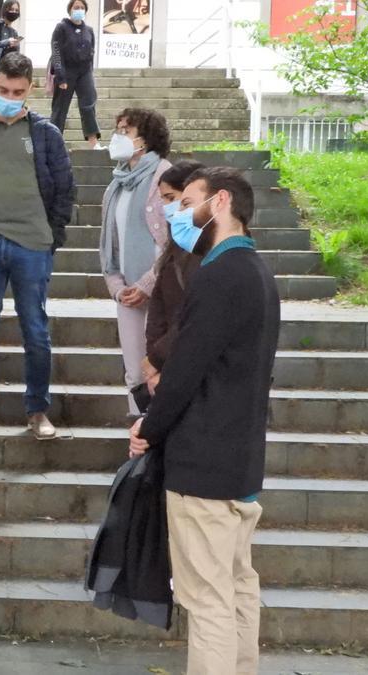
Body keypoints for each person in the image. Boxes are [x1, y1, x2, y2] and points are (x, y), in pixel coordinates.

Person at [130, 166, 280, 675]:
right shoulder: (257, 271)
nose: (177, 213)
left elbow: (185, 369)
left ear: (218, 203)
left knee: (207, 600)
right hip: (240, 464)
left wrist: (147, 430)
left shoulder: (219, 275)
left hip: (203, 465)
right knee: (238, 587)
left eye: (187, 201)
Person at [0, 52, 75, 440]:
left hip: (33, 245)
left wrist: (51, 235)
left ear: (30, 90)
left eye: (18, 91)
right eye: (4, 89)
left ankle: (37, 410)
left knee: (36, 331)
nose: (9, 96)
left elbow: (64, 188)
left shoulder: (45, 134)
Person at [98, 108, 172, 418]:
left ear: (146, 138)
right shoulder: (116, 184)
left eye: (125, 131)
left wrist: (146, 284)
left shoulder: (164, 177)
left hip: (163, 290)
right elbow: (109, 245)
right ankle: (139, 441)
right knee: (134, 372)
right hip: (127, 291)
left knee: (159, 368)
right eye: (117, 130)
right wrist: (117, 287)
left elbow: (172, 243)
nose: (118, 137)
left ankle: (162, 439)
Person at [141, 160, 205, 395]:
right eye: (163, 200)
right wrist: (155, 359)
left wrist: (158, 359)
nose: (167, 208)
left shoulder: (208, 255)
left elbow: (195, 317)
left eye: (173, 198)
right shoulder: (173, 249)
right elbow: (158, 309)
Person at [50, 0, 102, 149]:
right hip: (67, 71)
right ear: (70, 10)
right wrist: (60, 75)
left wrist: (90, 73)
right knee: (60, 107)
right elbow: (56, 51)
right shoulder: (61, 28)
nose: (79, 10)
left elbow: (92, 51)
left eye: (82, 8)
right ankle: (54, 142)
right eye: (76, 7)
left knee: (88, 105)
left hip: (84, 71)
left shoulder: (89, 30)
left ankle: (94, 142)